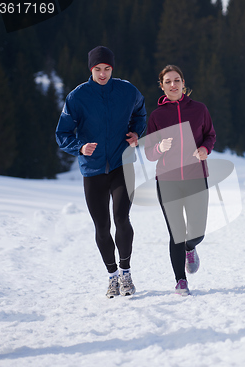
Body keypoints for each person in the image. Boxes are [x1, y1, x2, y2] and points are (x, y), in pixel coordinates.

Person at [55, 46, 147, 298]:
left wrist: (137, 132)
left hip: (121, 164)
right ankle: (112, 276)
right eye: (98, 69)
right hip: (92, 169)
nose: (103, 73)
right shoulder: (78, 97)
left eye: (107, 69)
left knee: (121, 217)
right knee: (102, 226)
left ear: (112, 69)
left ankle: (126, 273)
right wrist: (80, 147)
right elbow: (61, 134)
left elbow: (141, 111)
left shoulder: (127, 91)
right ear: (91, 69)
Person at [145, 65, 216, 296]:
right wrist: (159, 146)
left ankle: (190, 248)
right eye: (168, 81)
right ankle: (180, 280)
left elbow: (210, 135)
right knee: (176, 231)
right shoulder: (157, 116)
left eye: (177, 80)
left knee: (197, 232)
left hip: (196, 177)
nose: (173, 85)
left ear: (184, 83)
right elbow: (148, 153)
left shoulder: (199, 110)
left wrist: (205, 148)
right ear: (162, 86)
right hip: (168, 180)